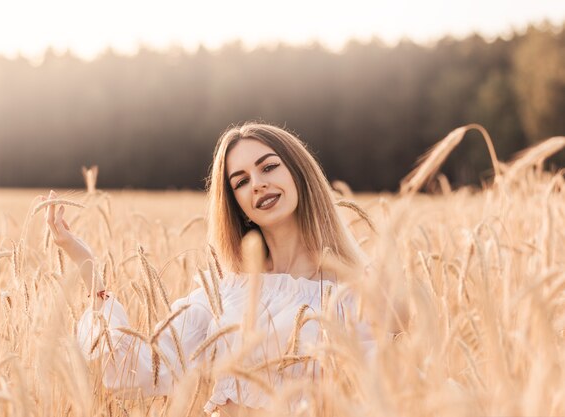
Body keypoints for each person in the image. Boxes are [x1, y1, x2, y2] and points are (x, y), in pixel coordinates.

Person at [44, 122, 395, 416]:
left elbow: (383, 396)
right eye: (241, 181)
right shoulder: (224, 291)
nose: (257, 183)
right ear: (238, 205)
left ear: (299, 175)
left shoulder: (354, 290)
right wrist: (87, 267)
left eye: (268, 167)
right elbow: (138, 367)